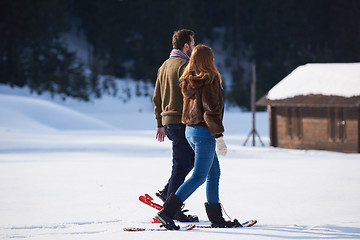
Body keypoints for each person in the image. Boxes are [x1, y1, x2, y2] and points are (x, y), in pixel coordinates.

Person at [155, 44, 241, 230]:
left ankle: (216, 218)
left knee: (214, 173)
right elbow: (211, 111)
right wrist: (219, 137)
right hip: (204, 132)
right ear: (209, 60)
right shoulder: (209, 80)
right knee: (199, 176)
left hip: (190, 132)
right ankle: (167, 212)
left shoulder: (189, 80)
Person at [152, 29, 198, 222]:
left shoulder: (164, 66)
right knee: (183, 164)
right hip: (181, 122)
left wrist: (159, 124)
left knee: (190, 161)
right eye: (193, 44)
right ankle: (172, 208)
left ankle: (167, 192)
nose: (194, 47)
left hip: (169, 123)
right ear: (185, 46)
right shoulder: (184, 65)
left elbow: (157, 98)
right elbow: (191, 95)